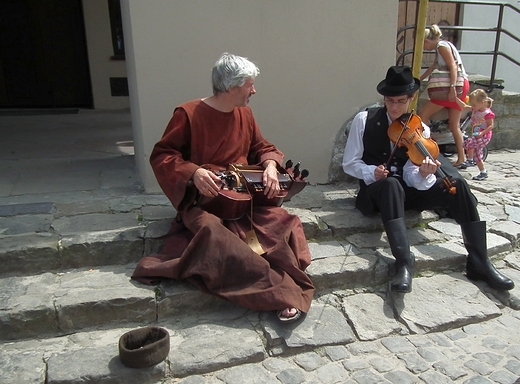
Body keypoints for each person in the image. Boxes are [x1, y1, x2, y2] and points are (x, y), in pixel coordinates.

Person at [131, 53, 315, 322]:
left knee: (283, 222)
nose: (254, 90)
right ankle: (281, 291)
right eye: (249, 85)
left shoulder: (245, 114)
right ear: (231, 86)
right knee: (214, 236)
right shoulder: (188, 114)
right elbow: (163, 156)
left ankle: (278, 281)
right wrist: (194, 173)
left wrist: (271, 166)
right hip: (206, 201)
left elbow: (262, 147)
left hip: (242, 199)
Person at [342, 65, 514, 293]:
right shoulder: (364, 120)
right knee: (391, 184)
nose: (394, 107)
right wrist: (370, 172)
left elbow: (411, 175)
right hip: (377, 193)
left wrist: (423, 174)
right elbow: (349, 163)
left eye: (401, 101)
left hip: (406, 194)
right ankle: (404, 262)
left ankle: (479, 262)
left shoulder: (419, 127)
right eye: (390, 101)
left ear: (412, 99)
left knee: (457, 184)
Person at [419, 24, 470, 168]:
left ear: (427, 40)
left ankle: (428, 149)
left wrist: (452, 88)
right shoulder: (443, 46)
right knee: (455, 125)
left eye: (423, 43)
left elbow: (453, 66)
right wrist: (419, 79)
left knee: (423, 114)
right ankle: (462, 158)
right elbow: (434, 66)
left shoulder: (441, 46)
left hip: (449, 87)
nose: (423, 47)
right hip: (461, 84)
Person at [456, 89, 495, 180]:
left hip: (485, 136)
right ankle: (483, 172)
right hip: (476, 135)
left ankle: (469, 160)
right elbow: (464, 106)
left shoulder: (487, 114)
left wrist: (482, 133)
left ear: (482, 103)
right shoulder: (475, 109)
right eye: (472, 104)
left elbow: (490, 126)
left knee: (469, 143)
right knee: (477, 156)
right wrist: (455, 98)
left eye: (474, 105)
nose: (472, 106)